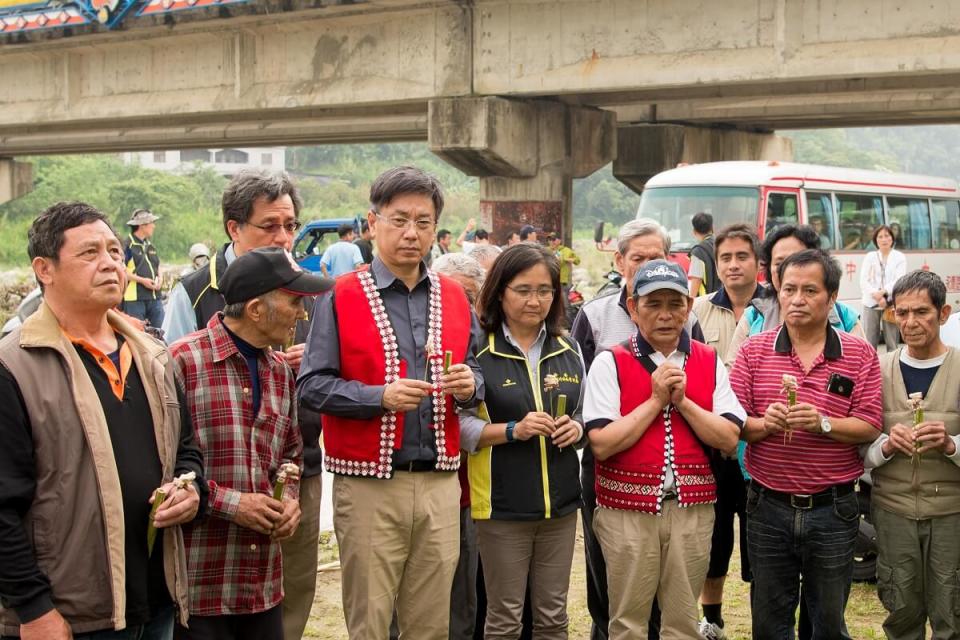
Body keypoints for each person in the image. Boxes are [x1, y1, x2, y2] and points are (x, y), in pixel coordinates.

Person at [0, 202, 204, 640]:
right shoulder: (14, 367)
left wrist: (192, 488)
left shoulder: (152, 353)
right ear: (44, 269)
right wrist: (34, 609)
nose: (111, 263)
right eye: (89, 253)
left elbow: (186, 450)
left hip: (156, 599)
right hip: (69, 614)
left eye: (114, 251)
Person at [297, 166, 484, 639]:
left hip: (442, 481)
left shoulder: (455, 298)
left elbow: (479, 372)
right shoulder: (341, 295)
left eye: (423, 222)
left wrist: (470, 384)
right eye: (399, 219)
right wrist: (378, 397)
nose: (411, 233)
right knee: (370, 620)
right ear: (372, 221)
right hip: (369, 486)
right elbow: (312, 386)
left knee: (431, 624)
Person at [161, 169, 323, 640]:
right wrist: (234, 505)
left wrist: (288, 498)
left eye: (290, 225)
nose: (302, 314)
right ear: (255, 310)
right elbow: (166, 462)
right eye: (293, 304)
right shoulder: (182, 361)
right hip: (203, 575)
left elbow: (291, 454)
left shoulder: (277, 371)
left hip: (261, 582)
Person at [584, 259, 743, 640]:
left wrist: (684, 402)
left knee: (683, 621)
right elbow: (602, 443)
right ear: (633, 308)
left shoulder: (707, 360)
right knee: (627, 622)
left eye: (675, 304)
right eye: (653, 304)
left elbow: (728, 437)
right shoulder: (611, 361)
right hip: (626, 512)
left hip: (693, 510)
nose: (666, 315)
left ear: (689, 308)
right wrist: (656, 401)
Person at [729, 249, 882, 639]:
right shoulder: (754, 350)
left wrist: (823, 423)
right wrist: (765, 425)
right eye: (789, 289)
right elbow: (734, 423)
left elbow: (869, 424)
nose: (797, 299)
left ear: (832, 298)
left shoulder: (859, 354)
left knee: (829, 622)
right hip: (768, 506)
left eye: (810, 290)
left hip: (833, 508)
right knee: (768, 621)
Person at [570, 218, 704, 640]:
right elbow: (579, 392)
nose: (647, 264)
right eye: (638, 258)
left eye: (657, 257)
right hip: (610, 469)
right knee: (610, 575)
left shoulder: (688, 323)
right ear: (620, 262)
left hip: (676, 478)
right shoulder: (592, 316)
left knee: (674, 591)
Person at [459, 244, 585, 640]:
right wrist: (514, 430)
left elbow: (585, 412)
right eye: (524, 290)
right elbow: (459, 429)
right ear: (500, 291)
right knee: (505, 617)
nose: (536, 300)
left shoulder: (569, 347)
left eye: (545, 291)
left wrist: (577, 429)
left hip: (561, 506)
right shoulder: (479, 350)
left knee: (553, 616)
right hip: (501, 507)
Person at [863, 270, 960, 639]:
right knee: (900, 609)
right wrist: (885, 446)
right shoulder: (878, 368)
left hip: (951, 511)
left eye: (922, 312)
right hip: (894, 510)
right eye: (901, 313)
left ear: (944, 313)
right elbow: (859, 449)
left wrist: (952, 444)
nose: (910, 322)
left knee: (951, 609)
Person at [689, 224, 764, 640]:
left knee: (759, 545)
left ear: (758, 263)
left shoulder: (774, 306)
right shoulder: (698, 309)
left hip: (757, 448)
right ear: (715, 265)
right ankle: (712, 619)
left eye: (742, 257)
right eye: (725, 258)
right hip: (712, 450)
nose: (733, 265)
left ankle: (762, 622)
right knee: (713, 541)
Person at [432, 251, 485, 640]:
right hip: (421, 484)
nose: (458, 304)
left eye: (467, 296)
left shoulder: (487, 342)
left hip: (472, 488)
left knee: (463, 591)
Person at [725, 224, 864, 367]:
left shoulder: (845, 318)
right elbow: (733, 373)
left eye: (797, 260)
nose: (788, 270)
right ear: (768, 268)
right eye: (779, 263)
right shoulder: (753, 317)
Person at [860, 224, 906, 351]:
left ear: (892, 238)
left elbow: (899, 279)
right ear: (876, 240)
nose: (884, 239)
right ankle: (871, 368)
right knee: (869, 340)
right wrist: (876, 295)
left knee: (892, 341)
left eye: (887, 236)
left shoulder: (899, 257)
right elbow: (863, 280)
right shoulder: (870, 256)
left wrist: (884, 293)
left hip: (890, 303)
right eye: (880, 237)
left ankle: (893, 367)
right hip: (871, 302)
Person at [123, 208, 165, 328]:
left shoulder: (150, 245)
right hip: (135, 299)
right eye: (152, 223)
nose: (154, 226)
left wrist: (160, 279)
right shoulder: (128, 246)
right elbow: (122, 270)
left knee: (160, 333)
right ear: (142, 225)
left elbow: (158, 265)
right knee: (137, 333)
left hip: (154, 296)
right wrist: (142, 281)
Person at [688, 212, 720, 297]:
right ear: (712, 228)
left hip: (706, 302)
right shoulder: (721, 245)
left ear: (694, 231)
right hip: (723, 299)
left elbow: (696, 279)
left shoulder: (698, 252)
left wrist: (691, 302)